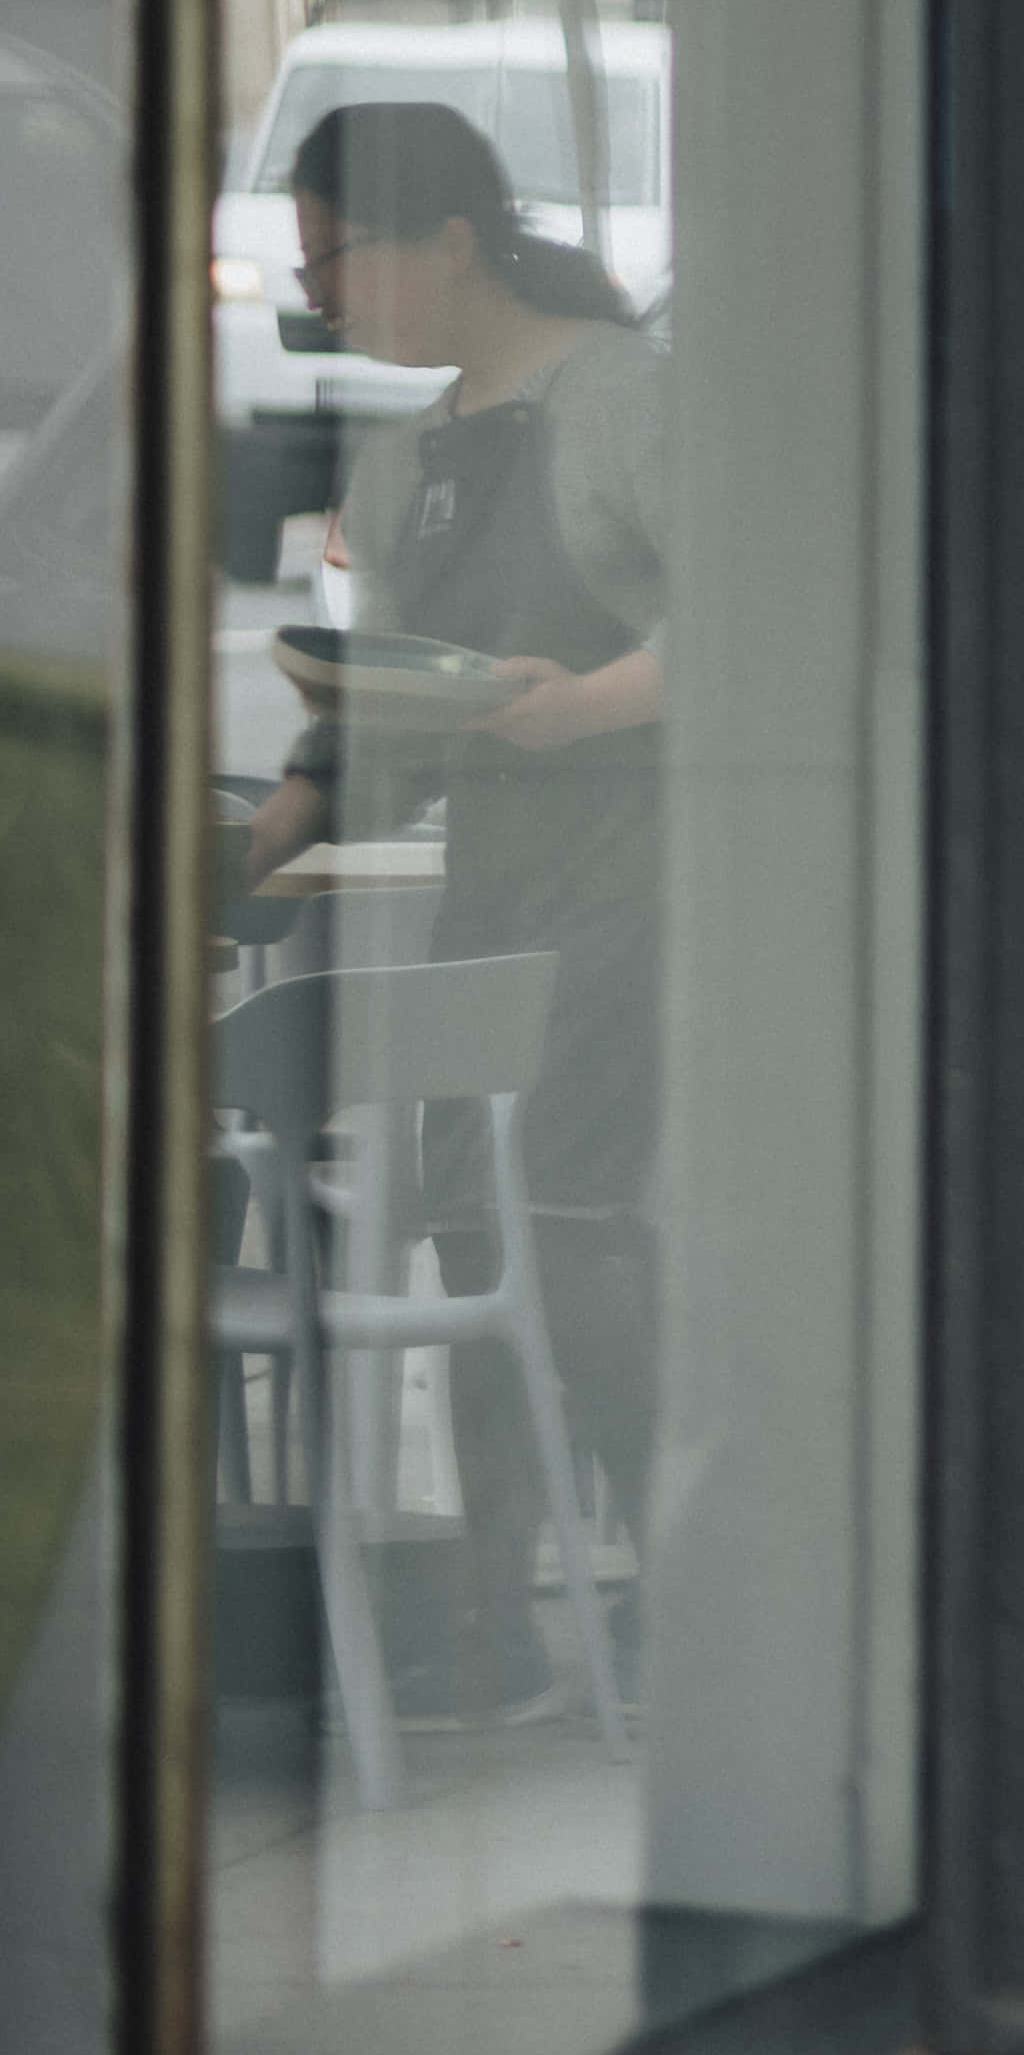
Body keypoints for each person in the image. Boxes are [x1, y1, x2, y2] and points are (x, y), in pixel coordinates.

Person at [252, 98, 669, 1729]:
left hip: (635, 870)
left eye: (335, 257)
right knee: (475, 1236)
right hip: (494, 884)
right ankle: (493, 1612)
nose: (326, 297)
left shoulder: (628, 399)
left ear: (446, 239)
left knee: (564, 1235)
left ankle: (685, 1592)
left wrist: (595, 702)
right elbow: (386, 703)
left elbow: (767, 610)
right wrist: (275, 821)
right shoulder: (404, 450)